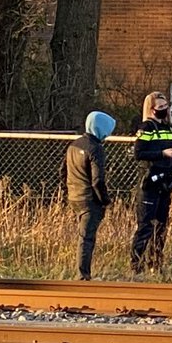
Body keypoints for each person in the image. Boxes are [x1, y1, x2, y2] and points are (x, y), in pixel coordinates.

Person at [131, 92, 172, 275]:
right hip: (150, 182)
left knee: (162, 225)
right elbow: (138, 154)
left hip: (166, 182)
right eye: (160, 108)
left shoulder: (168, 128)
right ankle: (136, 266)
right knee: (146, 225)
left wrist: (171, 124)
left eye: (166, 107)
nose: (164, 111)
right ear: (151, 110)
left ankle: (155, 263)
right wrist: (162, 153)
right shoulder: (147, 128)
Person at [64, 111, 115, 281]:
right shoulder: (96, 149)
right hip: (90, 200)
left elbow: (62, 171)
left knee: (83, 236)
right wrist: (105, 201)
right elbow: (97, 180)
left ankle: (83, 274)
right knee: (86, 238)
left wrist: (70, 189)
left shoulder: (74, 145)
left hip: (74, 196)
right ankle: (83, 275)